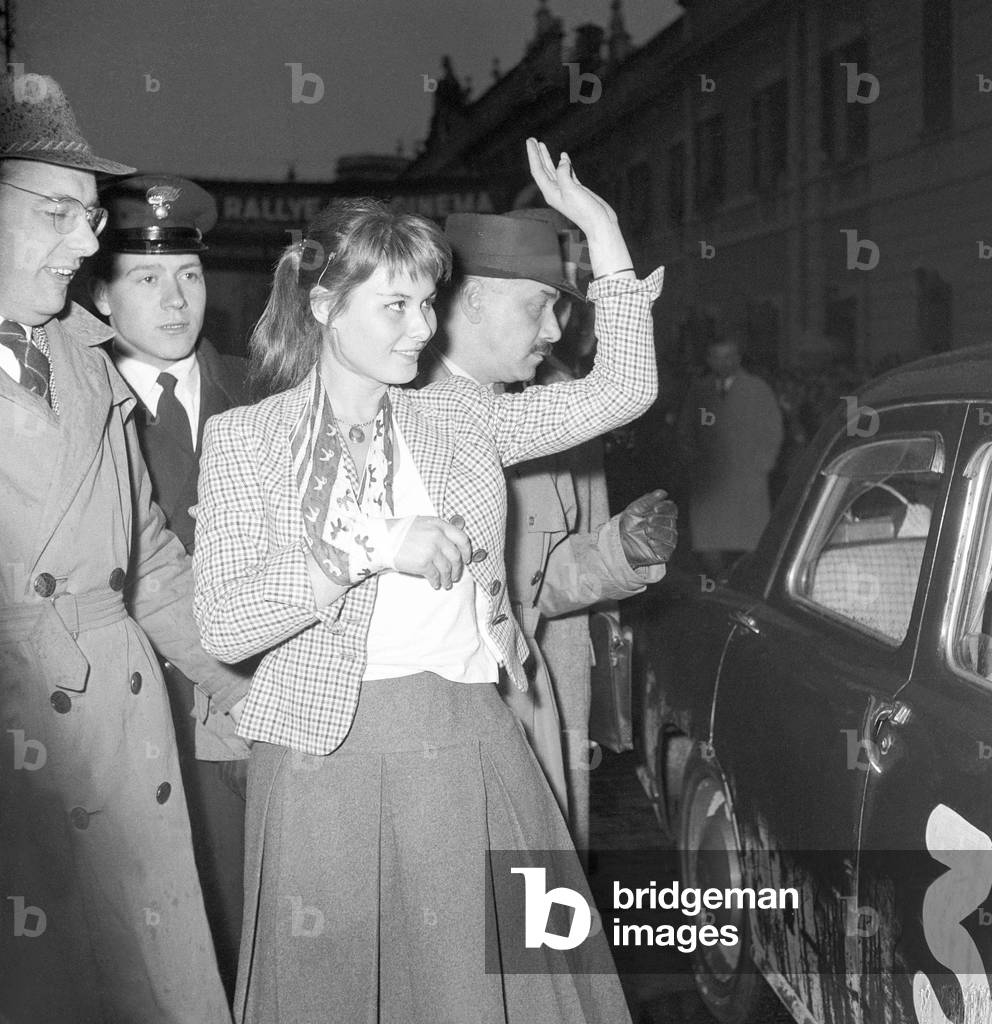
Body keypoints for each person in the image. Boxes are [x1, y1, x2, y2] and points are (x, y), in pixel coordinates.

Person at [192, 138, 662, 1024]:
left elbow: (622, 390)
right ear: (325, 304)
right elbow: (224, 625)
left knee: (486, 994)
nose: (422, 328)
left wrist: (598, 231)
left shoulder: (458, 416)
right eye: (398, 305)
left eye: (428, 303)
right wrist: (367, 545)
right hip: (318, 758)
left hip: (468, 740)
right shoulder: (245, 443)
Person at [0, 74, 243, 1021]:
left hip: (120, 729)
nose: (86, 239)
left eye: (91, 215)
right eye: (59, 212)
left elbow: (148, 563)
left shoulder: (80, 358)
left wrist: (242, 690)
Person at [420, 207, 676, 852]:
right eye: (542, 304)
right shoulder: (411, 405)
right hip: (448, 712)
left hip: (539, 690)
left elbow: (547, 572)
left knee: (535, 912)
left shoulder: (539, 404)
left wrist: (620, 551)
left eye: (567, 304)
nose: (559, 329)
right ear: (472, 300)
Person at [89, 174, 251, 999]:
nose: (175, 299)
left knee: (255, 927)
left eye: (188, 275)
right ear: (101, 298)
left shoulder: (264, 395)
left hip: (252, 715)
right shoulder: (78, 408)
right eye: (146, 279)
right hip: (126, 717)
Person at [676, 332, 783, 577]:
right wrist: (693, 460)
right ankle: (719, 586)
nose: (723, 362)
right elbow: (686, 429)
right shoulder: (699, 390)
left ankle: (743, 590)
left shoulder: (757, 388)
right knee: (709, 545)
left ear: (738, 358)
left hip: (747, 480)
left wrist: (764, 463)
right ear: (709, 359)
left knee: (750, 544)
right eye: (717, 357)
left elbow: (773, 429)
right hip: (709, 482)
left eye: (728, 357)